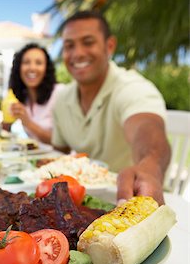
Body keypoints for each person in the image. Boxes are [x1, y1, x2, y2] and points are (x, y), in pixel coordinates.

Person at [52, 11, 171, 205]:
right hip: (84, 204)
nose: (78, 53)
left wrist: (149, 166)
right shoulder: (62, 98)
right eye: (69, 46)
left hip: (134, 199)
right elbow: (59, 154)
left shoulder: (132, 87)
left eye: (88, 42)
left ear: (110, 46)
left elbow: (146, 127)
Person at [2, 43, 63, 144]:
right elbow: (4, 131)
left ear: (46, 69)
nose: (32, 68)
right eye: (26, 62)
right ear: (19, 68)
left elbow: (63, 145)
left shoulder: (60, 93)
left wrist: (28, 122)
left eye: (38, 63)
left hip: (65, 159)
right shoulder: (23, 97)